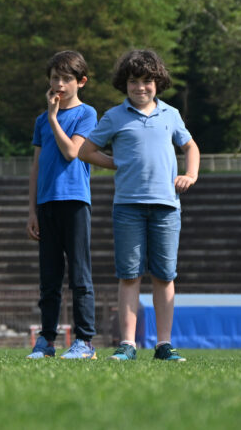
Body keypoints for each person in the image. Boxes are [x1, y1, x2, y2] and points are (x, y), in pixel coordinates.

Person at [80, 49, 200, 363]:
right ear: (126, 84)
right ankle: (127, 345)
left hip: (166, 207)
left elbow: (190, 145)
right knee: (129, 276)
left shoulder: (171, 114)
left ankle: (164, 345)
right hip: (128, 207)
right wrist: (116, 163)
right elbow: (86, 150)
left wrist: (190, 174)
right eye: (134, 81)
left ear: (158, 82)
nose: (141, 87)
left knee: (164, 276)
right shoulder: (114, 117)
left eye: (147, 81)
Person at [26, 50, 101, 360]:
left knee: (80, 275)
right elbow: (36, 166)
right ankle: (46, 341)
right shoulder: (41, 119)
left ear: (80, 82)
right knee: (49, 278)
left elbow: (72, 152)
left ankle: (84, 341)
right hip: (46, 204)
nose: (58, 83)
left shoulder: (87, 114)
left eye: (66, 78)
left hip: (74, 202)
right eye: (55, 77)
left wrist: (55, 118)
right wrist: (31, 209)